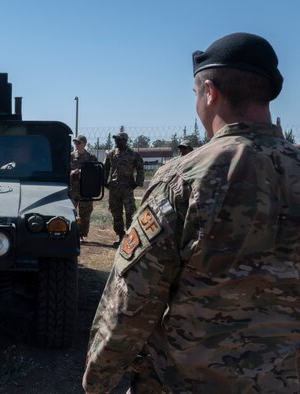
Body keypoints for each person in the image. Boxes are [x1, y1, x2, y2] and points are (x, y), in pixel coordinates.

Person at [83, 32, 300, 393]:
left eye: (195, 93)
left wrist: (98, 379)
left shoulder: (184, 179)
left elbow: (134, 298)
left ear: (210, 92)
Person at [103, 132, 144, 247]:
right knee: (116, 213)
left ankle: (131, 237)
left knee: (130, 212)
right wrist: (104, 181)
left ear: (125, 141)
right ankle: (121, 235)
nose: (117, 141)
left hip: (127, 188)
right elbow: (106, 168)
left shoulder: (133, 155)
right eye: (116, 140)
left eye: (119, 140)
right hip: (114, 188)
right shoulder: (111, 154)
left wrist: (137, 183)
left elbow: (140, 169)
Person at [69, 135, 98, 240]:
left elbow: (96, 172)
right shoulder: (70, 156)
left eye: (78, 143)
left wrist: (83, 172)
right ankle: (71, 233)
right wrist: (71, 172)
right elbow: (63, 170)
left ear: (84, 144)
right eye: (75, 143)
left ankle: (82, 234)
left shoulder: (91, 157)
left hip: (86, 190)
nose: (76, 145)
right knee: (71, 212)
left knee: (85, 214)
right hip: (73, 189)